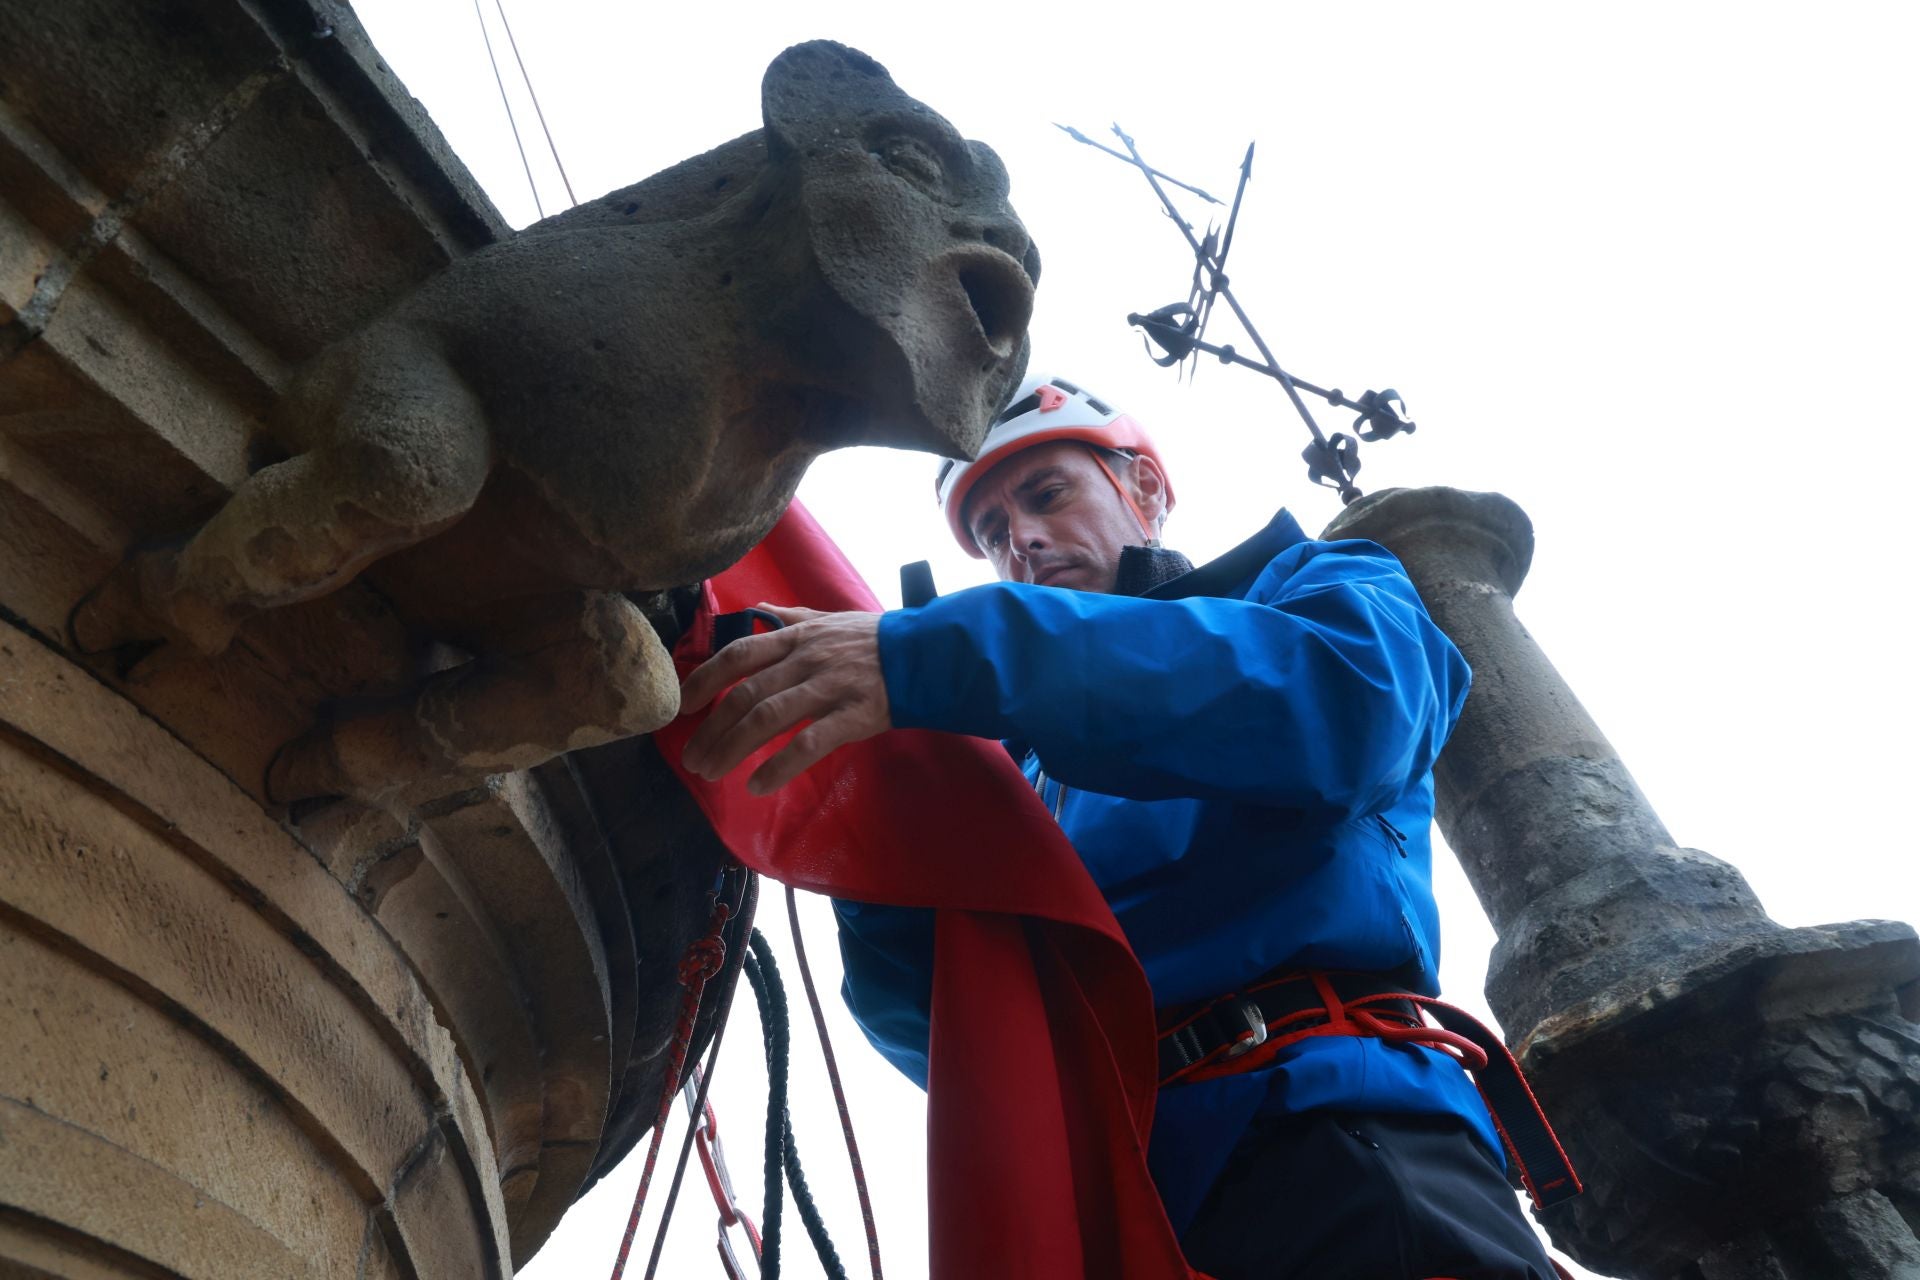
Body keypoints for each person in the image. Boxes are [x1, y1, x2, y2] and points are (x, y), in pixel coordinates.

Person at [677, 374, 1566, 1279]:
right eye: (990, 534)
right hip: (1117, 1201)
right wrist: (878, 831)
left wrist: (947, 654)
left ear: (1143, 488)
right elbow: (945, 1031)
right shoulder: (1002, 772)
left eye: (1046, 493)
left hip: (1334, 1138)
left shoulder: (1311, 589)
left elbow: (1349, 706)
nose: (1020, 539)